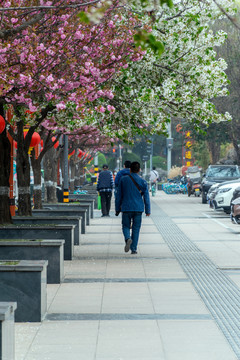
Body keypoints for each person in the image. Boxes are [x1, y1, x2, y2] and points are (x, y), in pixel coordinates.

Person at [115, 161, 151, 254]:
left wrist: (117, 209)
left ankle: (127, 238)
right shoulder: (143, 181)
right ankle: (133, 248)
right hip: (138, 208)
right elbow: (146, 197)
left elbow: (118, 196)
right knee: (136, 228)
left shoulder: (123, 180)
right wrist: (148, 210)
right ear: (139, 170)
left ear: (130, 169)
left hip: (126, 207)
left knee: (126, 226)